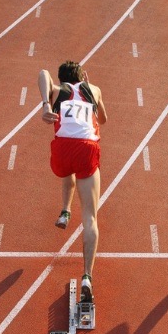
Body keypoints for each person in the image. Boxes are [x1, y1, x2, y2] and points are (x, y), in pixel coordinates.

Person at [38, 60, 108, 303]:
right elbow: (104, 119)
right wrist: (91, 93)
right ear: (82, 77)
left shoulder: (58, 91)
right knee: (90, 216)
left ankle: (65, 211)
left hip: (62, 150)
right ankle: (87, 275)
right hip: (86, 148)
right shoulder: (94, 89)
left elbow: (43, 73)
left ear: (61, 79)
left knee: (67, 170)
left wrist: (46, 104)